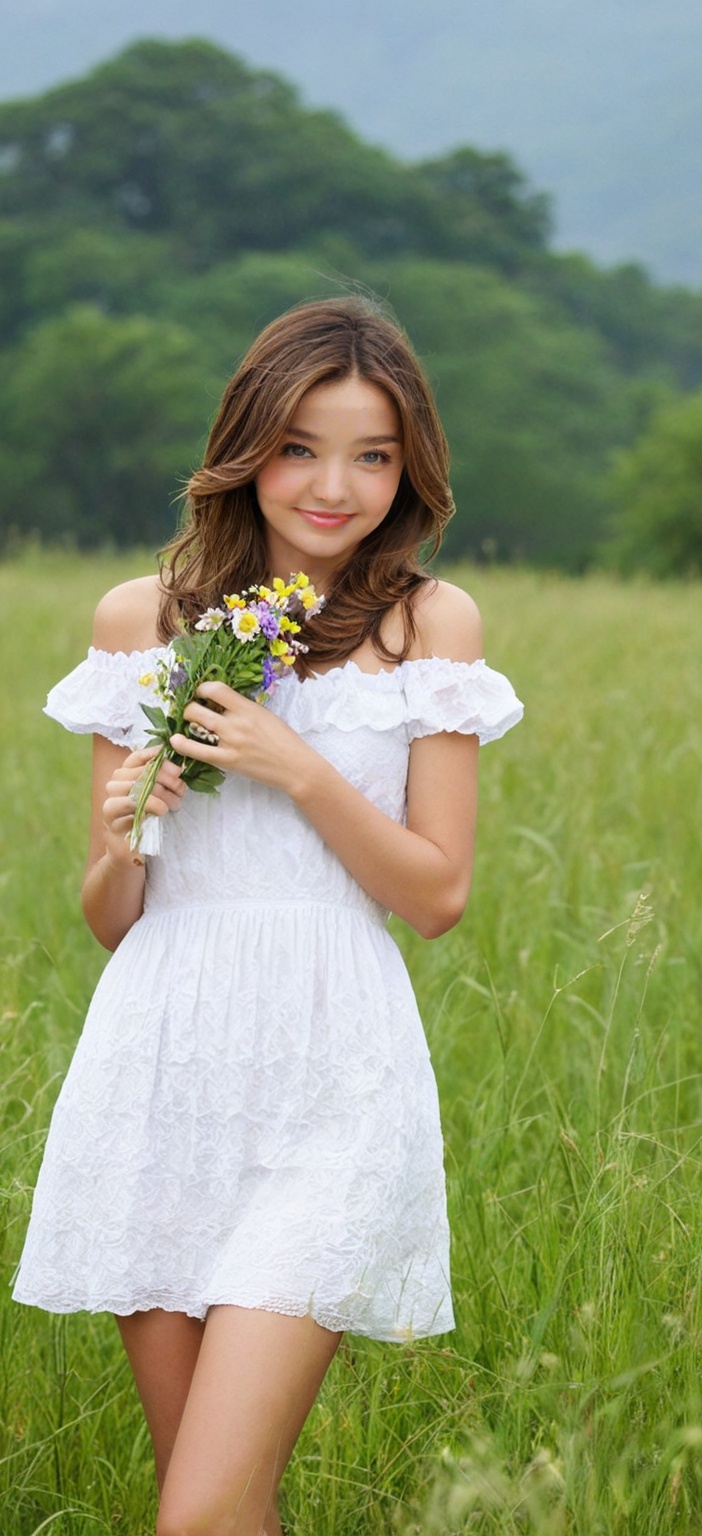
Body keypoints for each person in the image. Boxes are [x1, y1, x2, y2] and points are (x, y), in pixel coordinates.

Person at [13, 296, 523, 1536]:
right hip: (162, 1065)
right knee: (222, 1510)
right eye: (300, 446)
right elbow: (109, 914)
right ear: (248, 449)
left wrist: (294, 766)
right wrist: (135, 818)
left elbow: (438, 894)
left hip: (331, 1074)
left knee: (195, 1515)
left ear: (410, 469)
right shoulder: (143, 622)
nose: (333, 486)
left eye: (372, 454)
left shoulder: (424, 626)